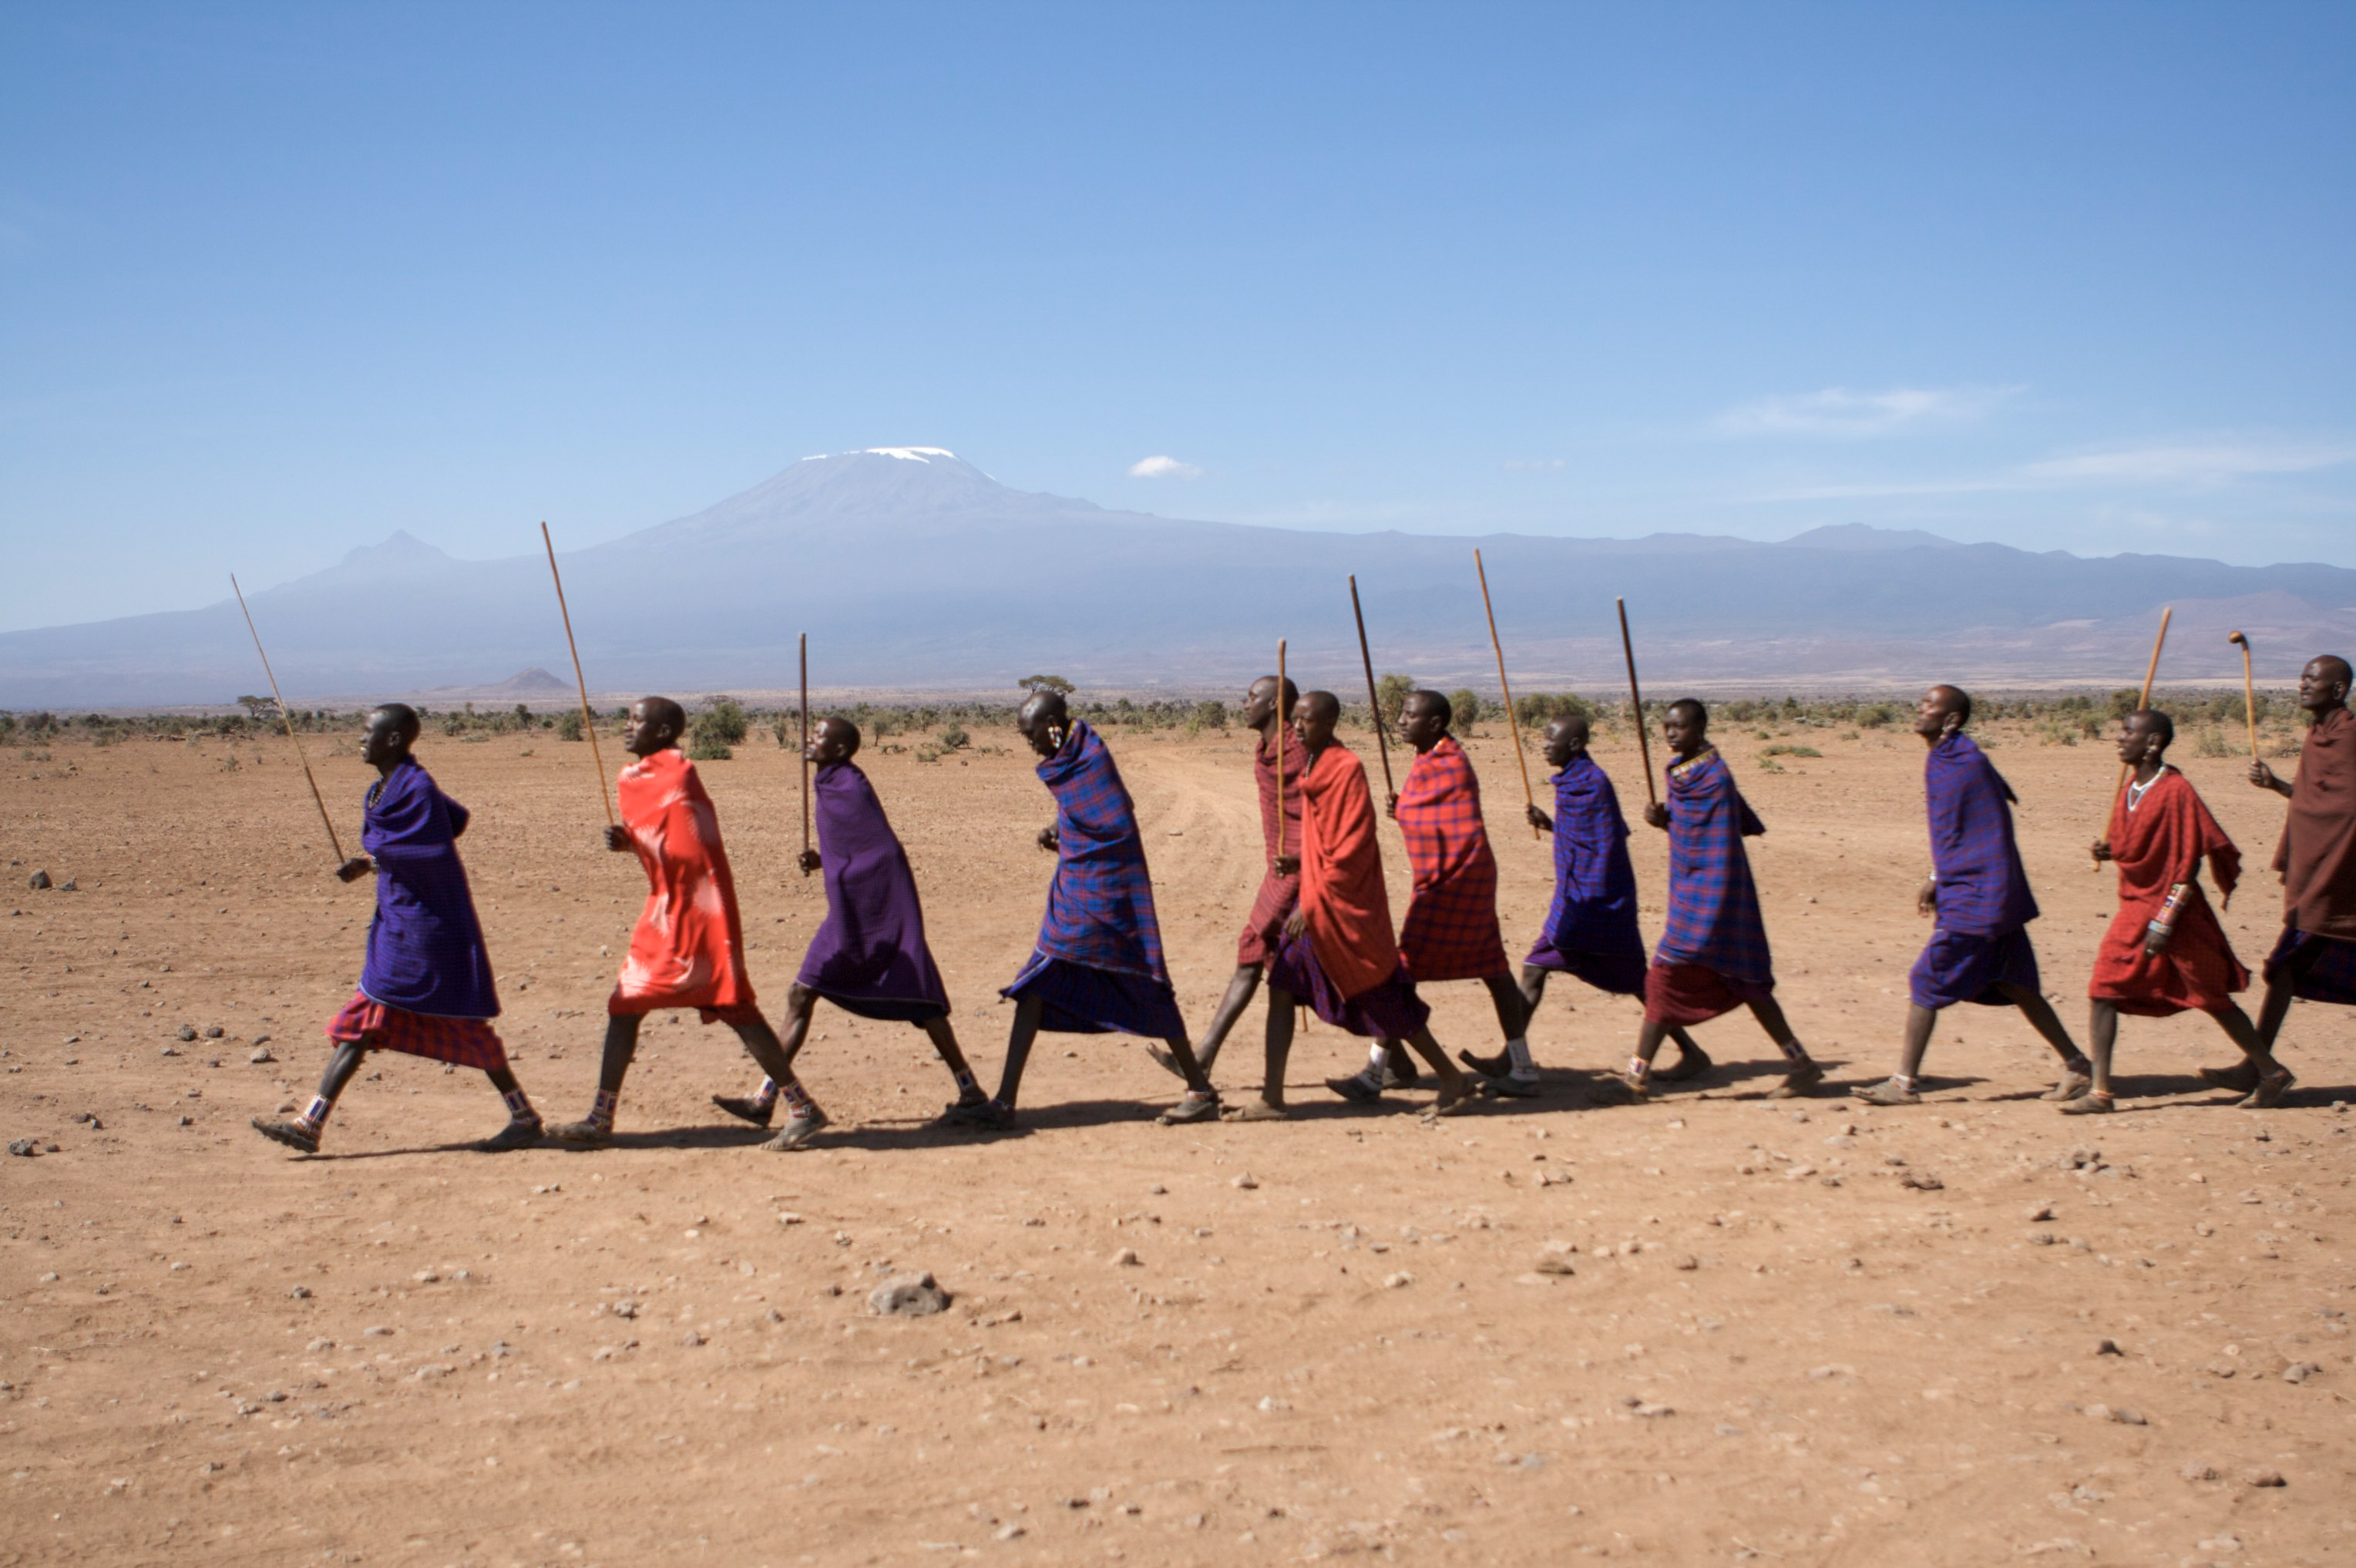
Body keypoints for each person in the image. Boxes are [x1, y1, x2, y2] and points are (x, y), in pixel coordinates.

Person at [251, 703, 542, 1153]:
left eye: (368, 732)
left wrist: (379, 859)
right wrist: (370, 864)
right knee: (374, 1018)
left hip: (428, 922)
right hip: (399, 916)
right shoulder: (385, 788)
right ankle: (311, 1124)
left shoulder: (417, 786)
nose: (359, 739)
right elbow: (450, 822)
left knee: (408, 1017)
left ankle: (523, 1117)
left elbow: (436, 849)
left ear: (392, 739)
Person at [947, 690, 1219, 1129]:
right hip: (1075, 887)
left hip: (1107, 889)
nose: (1030, 744)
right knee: (1036, 986)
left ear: (1054, 724)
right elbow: (1085, 809)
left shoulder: (1090, 756)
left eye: (1032, 734)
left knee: (1143, 980)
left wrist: (1078, 835)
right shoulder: (1072, 754)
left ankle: (1201, 1091)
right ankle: (1004, 1103)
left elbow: (1115, 817)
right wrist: (1059, 826)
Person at [712, 717, 990, 1142]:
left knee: (913, 993)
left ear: (841, 750)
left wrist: (846, 875)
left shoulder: (850, 785)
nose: (811, 738)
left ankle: (969, 1089)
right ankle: (768, 1097)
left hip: (875, 901)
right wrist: (826, 860)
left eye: (820, 735)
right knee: (805, 993)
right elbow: (852, 844)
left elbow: (878, 849)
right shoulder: (829, 781)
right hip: (852, 900)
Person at [549, 698, 803, 1147]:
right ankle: (600, 1119)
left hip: (700, 910)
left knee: (733, 1004)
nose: (626, 728)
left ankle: (803, 1109)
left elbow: (691, 848)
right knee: (625, 1004)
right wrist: (630, 842)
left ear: (664, 731)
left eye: (636, 721)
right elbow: (660, 840)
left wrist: (641, 843)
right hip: (665, 908)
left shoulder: (680, 774)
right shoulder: (632, 779)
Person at [1228, 691, 1476, 1120]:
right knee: (1283, 984)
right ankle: (1272, 1097)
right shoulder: (1313, 765)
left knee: (1383, 997)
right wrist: (1302, 861)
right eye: (1295, 720)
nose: (1298, 728)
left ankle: (1450, 1079)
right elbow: (1323, 841)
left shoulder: (1346, 769)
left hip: (1341, 908)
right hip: (1318, 899)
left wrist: (1312, 899)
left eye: (1306, 721)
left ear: (1330, 724)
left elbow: (1353, 845)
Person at [1855, 685, 2092, 1106]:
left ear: (1952, 720)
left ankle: (1904, 1083)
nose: (1920, 709)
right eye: (1922, 702)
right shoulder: (1945, 759)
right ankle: (2077, 1066)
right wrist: (1936, 873)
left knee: (1926, 979)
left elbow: (1987, 834)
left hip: (1980, 893)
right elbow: (1954, 833)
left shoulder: (1967, 764)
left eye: (1931, 705)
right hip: (1978, 889)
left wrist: (1948, 879)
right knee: (2016, 984)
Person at [2074, 709, 2287, 1112]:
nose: (2119, 739)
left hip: (2174, 913)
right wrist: (2112, 851)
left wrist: (2164, 921)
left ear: (2152, 743)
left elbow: (2187, 865)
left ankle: (2272, 1072)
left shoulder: (2176, 791)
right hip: (2136, 906)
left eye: (2128, 733)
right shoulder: (2130, 789)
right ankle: (2100, 1092)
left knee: (2210, 997)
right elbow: (2139, 847)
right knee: (2103, 987)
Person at [1614, 698, 1821, 1100]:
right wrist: (1666, 820)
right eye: (1667, 727)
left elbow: (1722, 835)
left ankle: (1634, 1077)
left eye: (1680, 727)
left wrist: (1674, 823)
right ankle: (1803, 1064)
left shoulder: (1715, 778)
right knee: (1747, 982)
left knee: (1661, 976)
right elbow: (1694, 828)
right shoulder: (1683, 773)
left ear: (1702, 726)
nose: (1672, 734)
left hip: (1717, 893)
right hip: (1693, 889)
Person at [1328, 690, 1528, 1103]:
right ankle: (1522, 1066)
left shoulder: (1450, 762)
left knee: (1407, 972)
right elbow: (1426, 814)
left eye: (1410, 715)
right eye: (1401, 714)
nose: (1400, 722)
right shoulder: (1428, 758)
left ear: (1435, 723)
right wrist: (1406, 809)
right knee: (1491, 970)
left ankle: (1374, 1074)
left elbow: (1445, 819)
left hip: (1458, 881)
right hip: (1455, 879)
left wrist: (1404, 811)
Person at [1496, 710, 1706, 1094]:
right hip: (1577, 898)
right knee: (1535, 968)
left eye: (1550, 738)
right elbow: (1581, 837)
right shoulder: (1572, 782)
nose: (1543, 744)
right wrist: (1550, 825)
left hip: (1600, 901)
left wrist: (1589, 899)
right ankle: (1509, 1054)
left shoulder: (1593, 783)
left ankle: (1691, 1051)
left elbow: (1604, 847)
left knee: (1634, 981)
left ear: (1574, 745)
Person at [1155, 673, 1306, 1081]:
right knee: (1260, 957)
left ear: (1275, 704)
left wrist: (1311, 892)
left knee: (1343, 976)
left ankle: (1206, 1060)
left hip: (1305, 877)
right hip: (1278, 875)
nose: (1244, 703)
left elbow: (1327, 824)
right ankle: (1202, 1058)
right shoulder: (1268, 749)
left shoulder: (1302, 753)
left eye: (1252, 697)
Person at [2223, 654, 2356, 1090]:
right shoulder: (2318, 735)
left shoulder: (2351, 737)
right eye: (2301, 677)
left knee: (2288, 963)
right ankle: (2256, 1064)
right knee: (2286, 967)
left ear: (2337, 690)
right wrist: (2277, 784)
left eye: (2311, 680)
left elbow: (2345, 809)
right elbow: (2315, 798)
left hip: (2339, 879)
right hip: (2318, 874)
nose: (2301, 686)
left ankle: (2258, 1067)